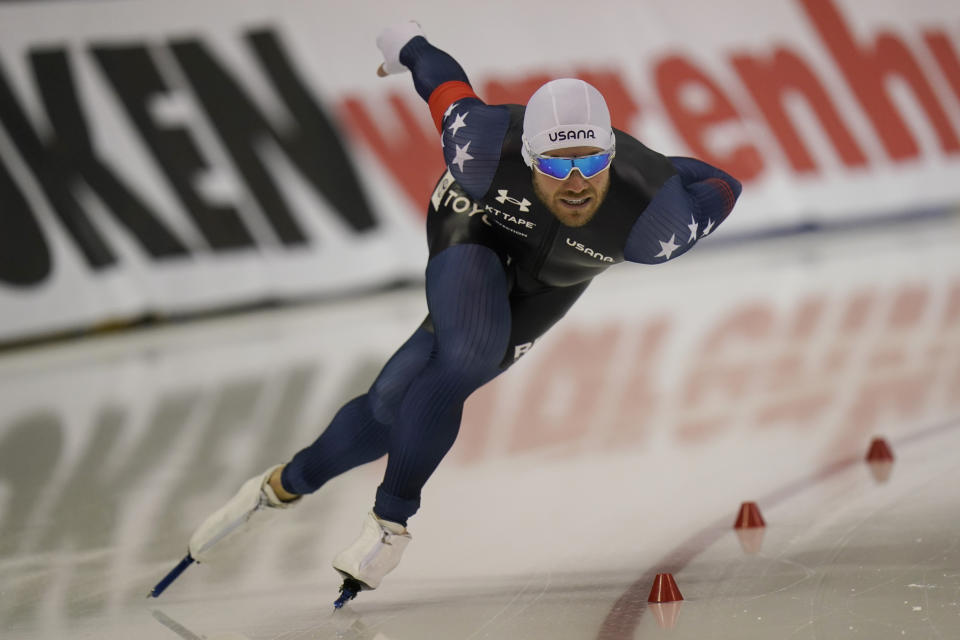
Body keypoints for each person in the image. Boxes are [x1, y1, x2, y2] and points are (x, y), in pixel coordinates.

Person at [184, 21, 741, 605]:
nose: (574, 184)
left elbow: (723, 182)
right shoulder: (481, 144)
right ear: (526, 155)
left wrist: (661, 169)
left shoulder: (657, 222)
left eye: (589, 163)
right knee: (466, 354)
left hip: (555, 280)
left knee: (389, 407)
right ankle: (389, 526)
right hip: (475, 227)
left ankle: (279, 487)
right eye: (553, 166)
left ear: (610, 153)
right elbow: (441, 80)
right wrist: (405, 43)